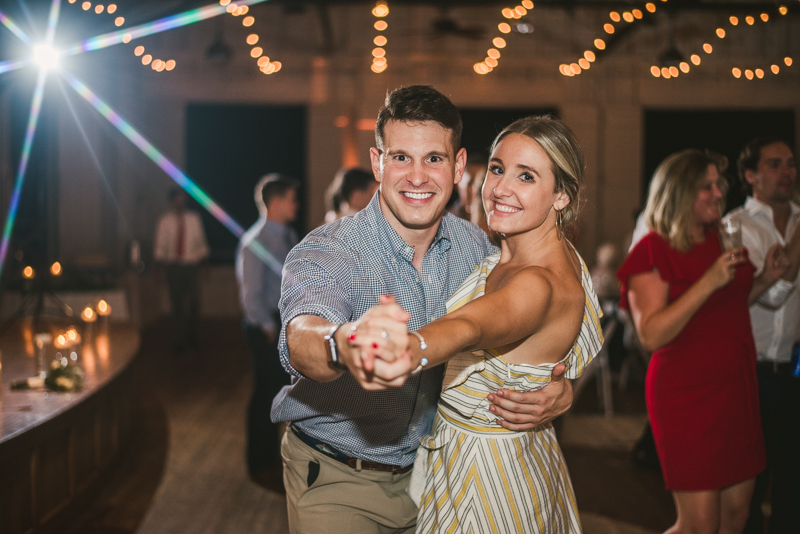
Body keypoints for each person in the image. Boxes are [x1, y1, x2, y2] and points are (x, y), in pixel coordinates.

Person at [273, 85, 575, 534]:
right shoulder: (329, 250)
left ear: (456, 166)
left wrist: (558, 384)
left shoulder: (480, 249)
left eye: (433, 159)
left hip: (439, 479)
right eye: (400, 158)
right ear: (377, 163)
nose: (417, 177)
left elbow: (536, 318)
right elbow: (303, 335)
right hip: (337, 476)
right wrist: (345, 345)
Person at [348, 115, 604, 533]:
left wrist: (404, 349)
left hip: (487, 484)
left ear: (561, 195)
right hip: (519, 460)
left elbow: (470, 326)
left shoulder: (536, 283)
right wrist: (557, 386)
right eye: (498, 169)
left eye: (526, 176)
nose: (501, 188)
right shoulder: (540, 254)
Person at [617, 149, 787, 534]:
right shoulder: (653, 249)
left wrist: (768, 278)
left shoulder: (722, 240)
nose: (718, 193)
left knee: (737, 516)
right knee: (698, 527)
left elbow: (728, 303)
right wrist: (708, 281)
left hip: (736, 389)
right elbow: (651, 334)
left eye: (718, 185)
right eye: (705, 187)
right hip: (687, 396)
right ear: (678, 193)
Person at [724, 137, 800, 533]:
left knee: (793, 487)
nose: (786, 172)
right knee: (747, 490)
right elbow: (770, 297)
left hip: (796, 369)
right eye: (774, 164)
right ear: (751, 175)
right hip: (751, 371)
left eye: (790, 163)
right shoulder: (737, 227)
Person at [236, 173, 300, 492]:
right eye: (291, 199)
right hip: (265, 327)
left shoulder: (287, 234)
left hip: (280, 323)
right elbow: (251, 295)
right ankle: (259, 462)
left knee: (276, 393)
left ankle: (272, 457)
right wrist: (269, 327)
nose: (296, 205)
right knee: (264, 396)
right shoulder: (256, 240)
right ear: (275, 202)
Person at [154, 188, 210, 352]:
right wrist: (158, 268)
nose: (181, 203)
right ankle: (179, 341)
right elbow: (160, 246)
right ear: (172, 201)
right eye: (178, 200)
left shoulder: (194, 219)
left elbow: (201, 242)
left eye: (183, 200)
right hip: (173, 267)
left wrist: (206, 264)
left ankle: (193, 337)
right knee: (177, 305)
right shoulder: (165, 221)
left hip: (191, 266)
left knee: (194, 303)